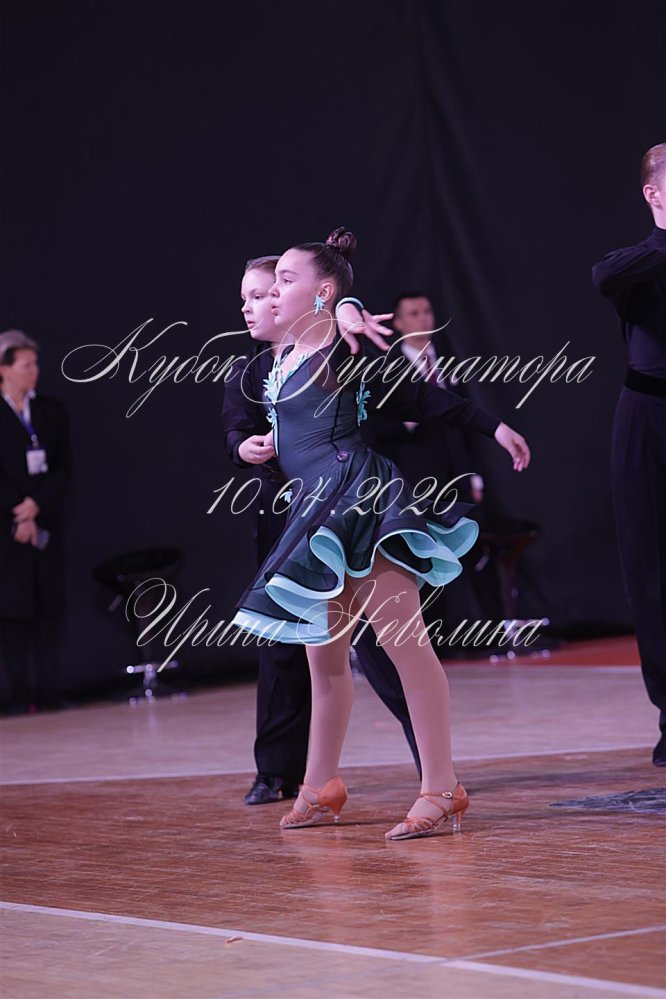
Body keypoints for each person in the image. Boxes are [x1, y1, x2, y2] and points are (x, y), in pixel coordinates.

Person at [231, 228, 530, 840]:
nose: (272, 292)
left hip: (362, 502)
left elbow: (419, 395)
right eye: (270, 284)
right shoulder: (277, 360)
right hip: (314, 511)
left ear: (323, 293)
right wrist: (251, 446)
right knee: (324, 657)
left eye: (286, 281)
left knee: (405, 647)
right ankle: (319, 785)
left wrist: (494, 427)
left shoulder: (338, 347)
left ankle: (442, 787)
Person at [223, 257, 421, 804]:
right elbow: (234, 429)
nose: (253, 305)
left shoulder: (327, 345)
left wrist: (350, 306)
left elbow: (343, 319)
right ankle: (279, 772)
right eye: (248, 297)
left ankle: (430, 762)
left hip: (343, 508)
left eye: (264, 292)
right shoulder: (250, 369)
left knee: (383, 641)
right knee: (286, 646)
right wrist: (244, 447)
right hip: (284, 513)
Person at [592, 142, 666, 768]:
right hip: (648, 417)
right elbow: (603, 277)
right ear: (654, 194)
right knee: (650, 568)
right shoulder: (637, 264)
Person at [0, 330, 71, 713]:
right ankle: (16, 695)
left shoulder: (50, 411)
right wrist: (17, 510)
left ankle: (49, 692)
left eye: (35, 364)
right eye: (25, 365)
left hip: (45, 520)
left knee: (48, 608)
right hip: (7, 526)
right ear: (4, 369)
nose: (34, 371)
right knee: (12, 611)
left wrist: (35, 505)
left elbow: (62, 467)